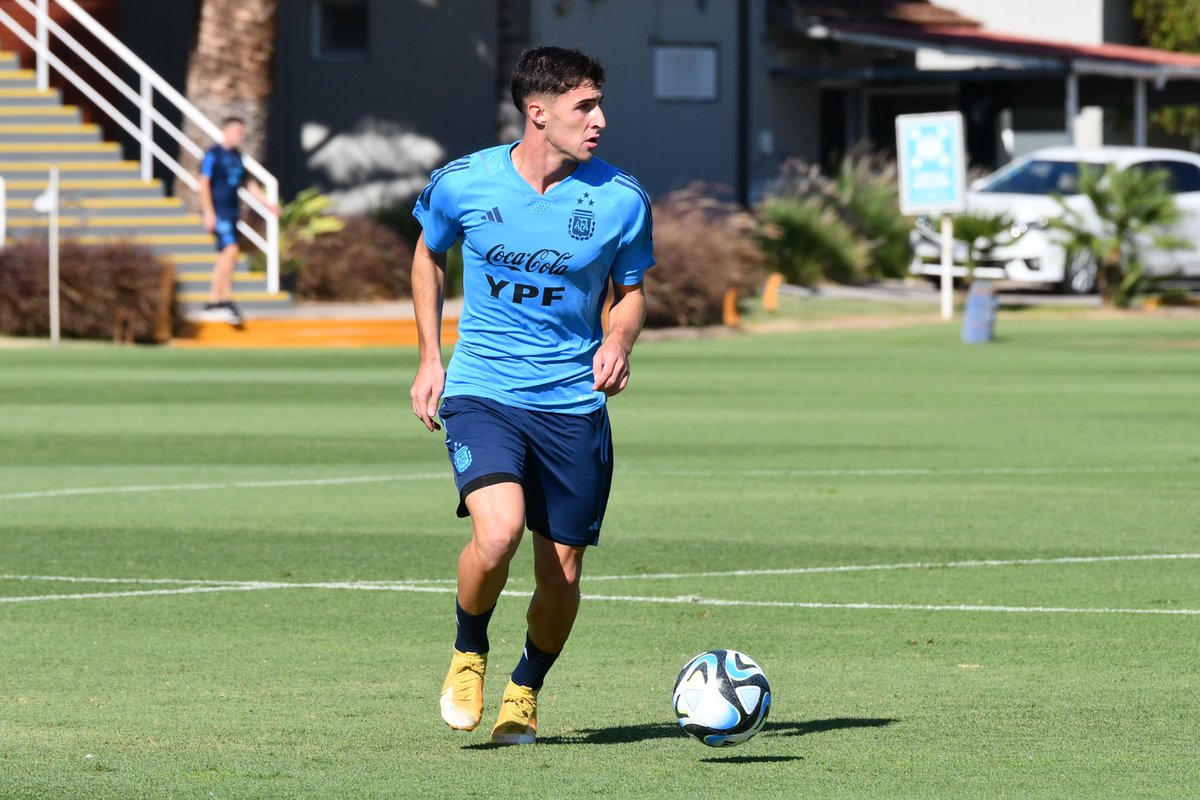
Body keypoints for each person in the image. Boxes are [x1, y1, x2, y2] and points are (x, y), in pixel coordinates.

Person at [409, 46, 654, 745]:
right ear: (538, 112)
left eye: (600, 105)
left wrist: (619, 340)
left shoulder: (621, 198)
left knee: (561, 574)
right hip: (483, 390)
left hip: (573, 404)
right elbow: (428, 252)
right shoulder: (463, 182)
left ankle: (524, 690)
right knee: (497, 535)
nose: (599, 120)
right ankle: (468, 651)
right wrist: (430, 357)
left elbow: (631, 292)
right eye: (585, 107)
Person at [197, 117, 279, 326]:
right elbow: (204, 184)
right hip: (220, 212)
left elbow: (249, 184)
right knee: (232, 251)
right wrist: (209, 213)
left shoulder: (238, 157)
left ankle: (213, 301)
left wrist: (268, 204)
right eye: (237, 132)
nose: (240, 137)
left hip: (233, 213)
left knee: (224, 257)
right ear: (226, 131)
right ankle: (227, 300)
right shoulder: (213, 155)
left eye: (242, 133)